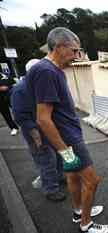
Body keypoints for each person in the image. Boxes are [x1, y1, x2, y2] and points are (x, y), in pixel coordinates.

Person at [25, 27, 108, 233]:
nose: (76, 56)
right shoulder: (46, 71)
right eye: (74, 50)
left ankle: (79, 211)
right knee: (92, 181)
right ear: (59, 46)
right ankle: (86, 224)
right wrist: (65, 151)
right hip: (68, 139)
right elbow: (43, 119)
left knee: (73, 177)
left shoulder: (52, 70)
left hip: (69, 134)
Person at [11, 58, 68, 202]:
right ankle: (51, 189)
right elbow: (20, 116)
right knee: (46, 160)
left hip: (50, 128)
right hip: (35, 132)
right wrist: (36, 137)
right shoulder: (20, 89)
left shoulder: (40, 86)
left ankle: (60, 178)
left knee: (58, 155)